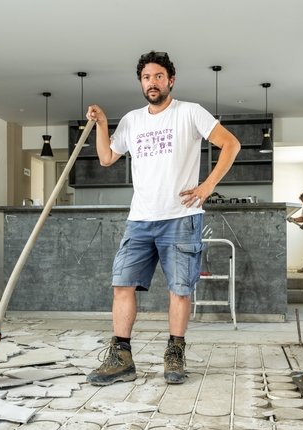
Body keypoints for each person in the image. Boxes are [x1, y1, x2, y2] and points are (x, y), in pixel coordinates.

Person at [84, 51, 240, 386]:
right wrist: (101, 124)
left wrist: (207, 186)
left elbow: (231, 144)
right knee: (122, 284)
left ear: (170, 80)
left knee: (179, 289)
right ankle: (121, 357)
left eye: (158, 77)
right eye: (146, 78)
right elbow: (108, 157)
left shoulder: (190, 113)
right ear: (140, 83)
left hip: (181, 217)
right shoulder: (131, 120)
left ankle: (175, 353)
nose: (152, 83)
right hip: (140, 219)